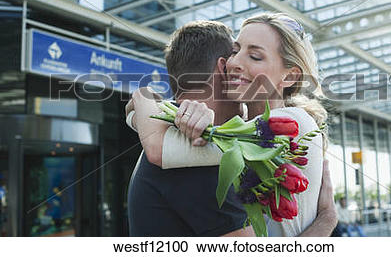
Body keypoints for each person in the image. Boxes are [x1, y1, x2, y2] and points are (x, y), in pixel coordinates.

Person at [128, 15, 337, 236]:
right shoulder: (243, 127)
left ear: (289, 77)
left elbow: (159, 148)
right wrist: (326, 220)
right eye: (235, 52)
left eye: (255, 56)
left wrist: (143, 100)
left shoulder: (291, 123)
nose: (236, 63)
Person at [127, 21, 254, 237]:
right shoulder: (193, 148)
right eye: (237, 56)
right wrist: (326, 219)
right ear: (223, 69)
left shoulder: (166, 130)